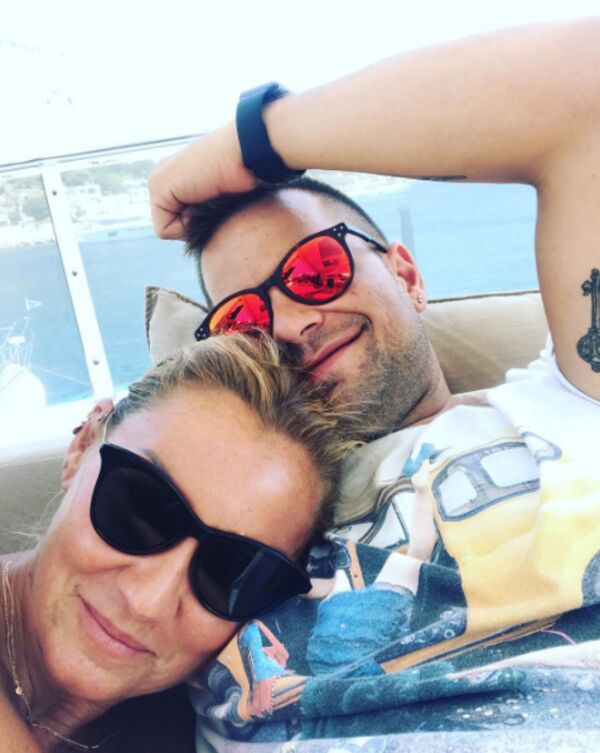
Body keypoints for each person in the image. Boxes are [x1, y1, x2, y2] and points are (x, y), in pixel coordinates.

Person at [145, 18, 600, 747]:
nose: (292, 324)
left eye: (316, 270)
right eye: (246, 323)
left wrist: (250, 140)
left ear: (407, 276)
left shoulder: (576, 396)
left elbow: (587, 78)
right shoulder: (215, 514)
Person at [0, 334, 352, 752]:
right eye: (140, 510)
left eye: (232, 573)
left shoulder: (199, 732)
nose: (147, 602)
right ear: (81, 446)